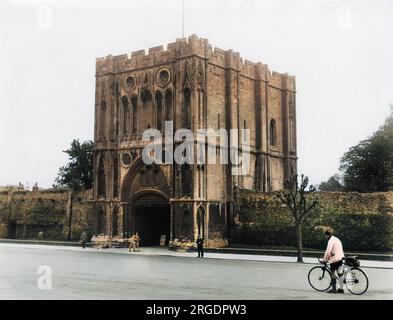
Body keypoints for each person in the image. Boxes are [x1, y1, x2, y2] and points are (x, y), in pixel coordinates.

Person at [322, 230, 345, 294]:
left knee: (332, 272)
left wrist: (324, 260)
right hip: (340, 257)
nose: (325, 237)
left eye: (325, 236)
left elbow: (328, 251)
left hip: (335, 259)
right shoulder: (336, 239)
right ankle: (341, 289)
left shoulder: (330, 241)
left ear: (327, 235)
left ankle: (333, 289)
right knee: (339, 273)